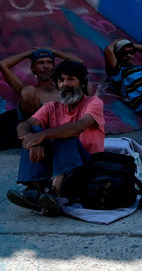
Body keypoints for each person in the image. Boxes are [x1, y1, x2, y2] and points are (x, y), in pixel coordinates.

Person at [6, 60, 105, 215]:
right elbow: (23, 125)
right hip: (57, 168)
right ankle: (35, 189)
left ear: (82, 83)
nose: (65, 84)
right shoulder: (51, 107)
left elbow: (79, 126)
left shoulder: (93, 102)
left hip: (85, 167)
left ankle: (55, 194)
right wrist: (33, 142)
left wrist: (43, 135)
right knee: (32, 129)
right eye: (61, 80)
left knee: (65, 134)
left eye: (71, 79)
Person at [0, 47, 76, 118]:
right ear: (33, 68)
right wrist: (30, 53)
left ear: (54, 67)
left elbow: (79, 63)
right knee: (28, 91)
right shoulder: (29, 92)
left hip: (66, 129)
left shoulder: (64, 90)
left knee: (86, 86)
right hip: (39, 130)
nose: (46, 66)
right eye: (41, 63)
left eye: (49, 62)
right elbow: (3, 64)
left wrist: (55, 52)